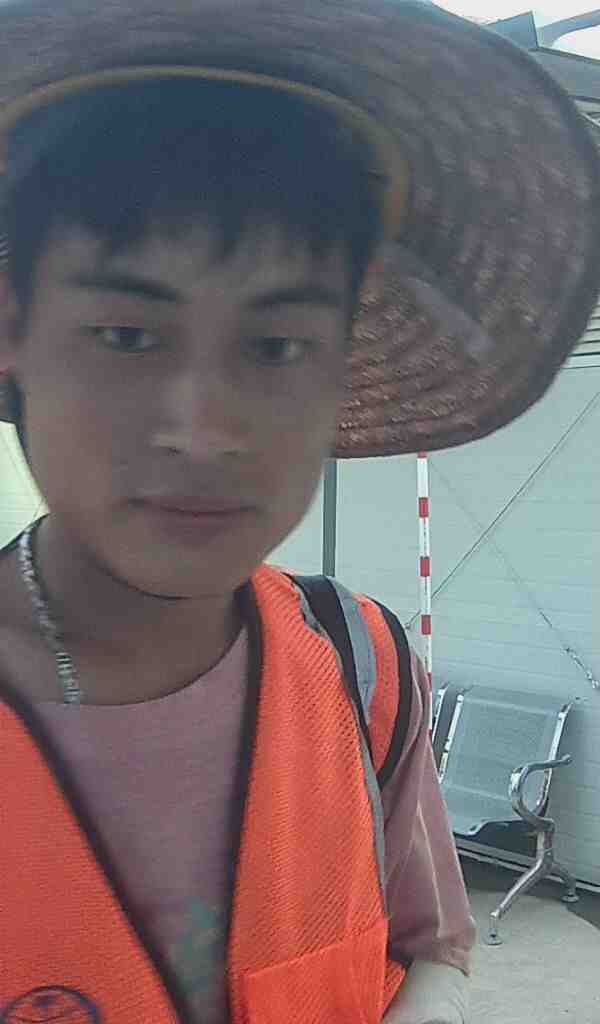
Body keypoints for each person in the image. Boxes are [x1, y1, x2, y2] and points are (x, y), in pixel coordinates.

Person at [0, 2, 599, 1023]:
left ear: (340, 371)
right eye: (127, 334)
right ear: (14, 330)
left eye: (276, 347)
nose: (204, 430)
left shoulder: (362, 665)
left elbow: (429, 945)